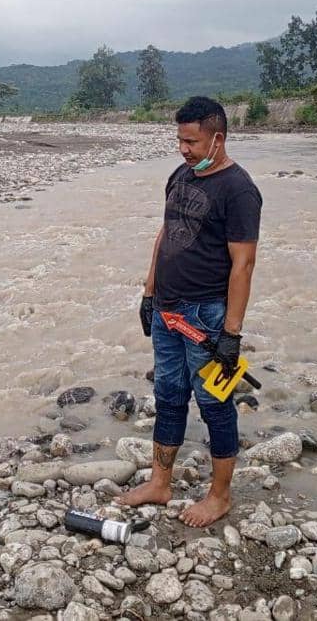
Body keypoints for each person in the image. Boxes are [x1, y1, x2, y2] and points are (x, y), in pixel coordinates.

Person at [119, 96, 262, 527]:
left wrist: (231, 334)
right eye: (179, 140)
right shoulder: (179, 176)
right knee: (168, 395)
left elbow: (244, 263)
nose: (183, 149)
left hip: (207, 317)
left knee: (216, 404)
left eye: (192, 142)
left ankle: (219, 497)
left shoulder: (239, 190)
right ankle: (160, 484)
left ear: (217, 138)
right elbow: (166, 232)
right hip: (167, 310)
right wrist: (149, 291)